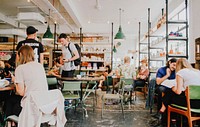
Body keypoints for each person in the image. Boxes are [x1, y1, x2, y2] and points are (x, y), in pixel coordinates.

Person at [6, 45, 48, 127]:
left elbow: (21, 92)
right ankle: (12, 122)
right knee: (12, 101)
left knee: (9, 101)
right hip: (43, 105)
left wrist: (15, 81)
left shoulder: (20, 68)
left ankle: (10, 122)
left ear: (21, 55)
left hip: (30, 108)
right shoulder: (40, 66)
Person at [157, 58, 200, 126]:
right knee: (171, 93)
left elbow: (178, 92)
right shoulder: (197, 71)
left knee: (170, 92)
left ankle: (165, 119)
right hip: (199, 103)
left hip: (190, 103)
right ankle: (176, 119)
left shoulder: (181, 72)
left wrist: (173, 88)